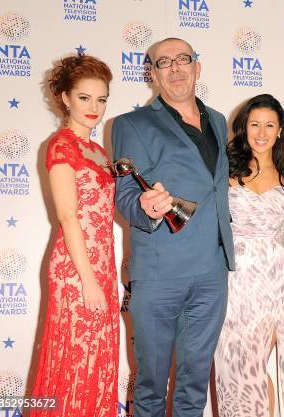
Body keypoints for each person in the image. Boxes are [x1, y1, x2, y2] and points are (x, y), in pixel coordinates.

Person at [111, 37, 235, 417]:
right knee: (149, 385)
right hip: (160, 271)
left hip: (212, 271)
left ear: (198, 67)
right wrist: (145, 207)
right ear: (152, 73)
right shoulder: (130, 124)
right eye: (164, 62)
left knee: (194, 385)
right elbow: (125, 193)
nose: (176, 68)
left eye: (184, 59)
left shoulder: (218, 120)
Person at [31, 54, 118, 417]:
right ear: (66, 98)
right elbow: (68, 217)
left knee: (97, 362)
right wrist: (89, 280)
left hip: (103, 269)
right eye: (85, 97)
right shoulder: (61, 145)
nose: (94, 107)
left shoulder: (99, 153)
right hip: (75, 270)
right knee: (74, 362)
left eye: (101, 99)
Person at [214, 94, 284, 417]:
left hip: (276, 278)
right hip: (235, 277)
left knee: (258, 362)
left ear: (280, 130)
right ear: (243, 128)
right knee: (237, 363)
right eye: (255, 124)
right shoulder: (223, 168)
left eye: (270, 125)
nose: (262, 132)